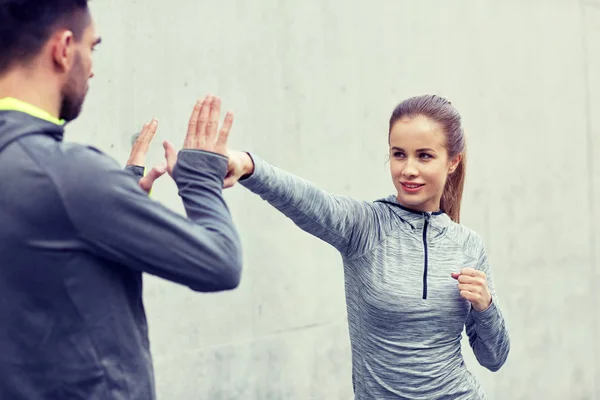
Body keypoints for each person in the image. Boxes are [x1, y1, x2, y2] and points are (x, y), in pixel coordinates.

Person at [0, 1, 242, 399]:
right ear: (63, 49)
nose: (93, 68)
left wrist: (115, 199)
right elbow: (220, 263)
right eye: (92, 48)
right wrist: (199, 178)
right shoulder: (68, 175)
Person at [224, 94, 510, 399]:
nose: (408, 169)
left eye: (424, 155)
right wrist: (249, 166)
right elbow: (310, 201)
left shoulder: (468, 245)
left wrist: (485, 306)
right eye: (399, 154)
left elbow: (493, 358)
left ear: (453, 162)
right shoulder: (364, 227)